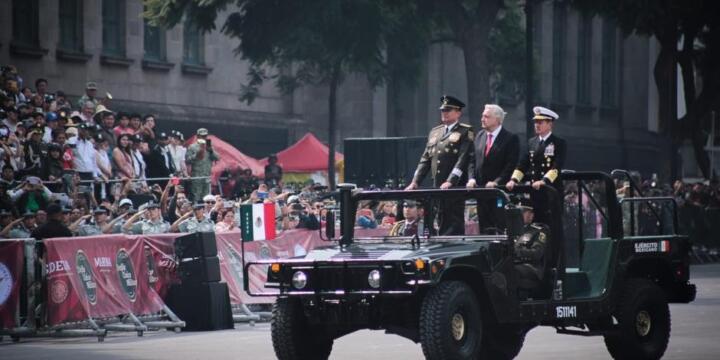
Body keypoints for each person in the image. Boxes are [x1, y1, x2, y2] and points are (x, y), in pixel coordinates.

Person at [405, 95, 474, 235]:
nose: (445, 113)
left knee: (453, 222)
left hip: (454, 187)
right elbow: (425, 159)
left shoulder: (465, 131)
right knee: (439, 220)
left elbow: (463, 159)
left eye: (448, 110)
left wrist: (451, 181)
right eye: (443, 110)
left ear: (458, 113)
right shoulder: (435, 132)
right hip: (437, 185)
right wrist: (415, 181)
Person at [507, 106, 567, 224]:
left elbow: (556, 167)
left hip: (550, 191)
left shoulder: (559, 143)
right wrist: (514, 180)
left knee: (552, 225)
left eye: (540, 122)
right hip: (535, 193)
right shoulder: (532, 142)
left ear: (550, 124)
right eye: (535, 122)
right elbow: (523, 164)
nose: (537, 125)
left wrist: (544, 181)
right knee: (537, 224)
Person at [467, 104, 520, 232]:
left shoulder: (510, 138)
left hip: (498, 193)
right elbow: (472, 161)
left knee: (499, 228)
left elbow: (510, 165)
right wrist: (471, 178)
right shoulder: (479, 136)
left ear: (497, 120)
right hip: (481, 192)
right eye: (482, 116)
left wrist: (497, 182)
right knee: (484, 229)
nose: (482, 119)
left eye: (486, 116)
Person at [513, 200, 550, 296]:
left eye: (525, 212)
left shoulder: (538, 231)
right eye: (521, 212)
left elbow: (537, 253)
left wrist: (517, 252)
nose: (522, 214)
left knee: (511, 271)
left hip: (532, 268)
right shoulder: (513, 231)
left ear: (531, 215)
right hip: (514, 264)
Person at [185, 128, 219, 201]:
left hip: (207, 176)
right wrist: (196, 155)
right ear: (198, 136)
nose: (204, 138)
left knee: (207, 198)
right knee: (196, 197)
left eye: (205, 136)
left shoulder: (209, 147)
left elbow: (218, 158)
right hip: (196, 177)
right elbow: (187, 161)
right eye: (202, 136)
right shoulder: (192, 147)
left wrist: (211, 151)